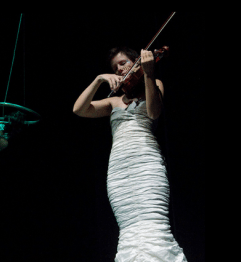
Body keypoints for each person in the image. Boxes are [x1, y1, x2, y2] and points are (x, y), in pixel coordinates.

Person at [73, 47, 187, 261]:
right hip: (118, 170)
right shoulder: (114, 101)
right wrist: (98, 80)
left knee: (153, 223)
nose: (119, 69)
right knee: (129, 228)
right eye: (115, 67)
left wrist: (150, 72)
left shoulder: (153, 84)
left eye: (123, 62)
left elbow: (153, 113)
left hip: (146, 161)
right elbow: (79, 109)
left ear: (137, 62)